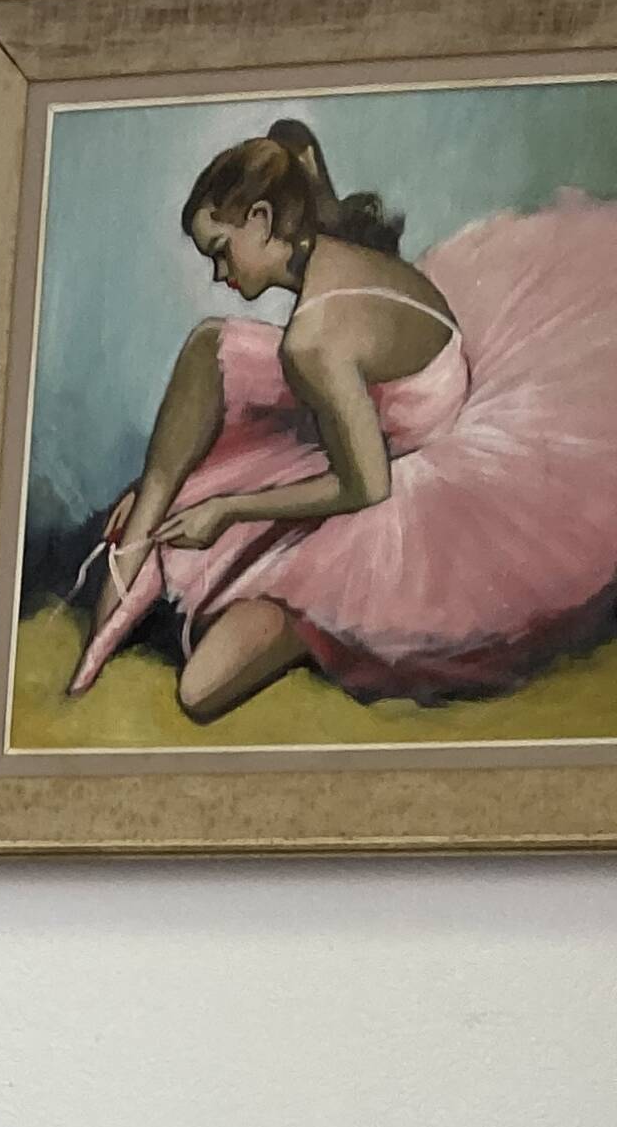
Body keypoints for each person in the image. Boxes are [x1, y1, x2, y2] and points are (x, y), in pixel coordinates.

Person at [70, 116, 617, 718]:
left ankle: (291, 612)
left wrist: (226, 507)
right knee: (210, 345)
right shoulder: (319, 226)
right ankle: (141, 538)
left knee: (199, 693)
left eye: (222, 253)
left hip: (408, 477)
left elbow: (367, 485)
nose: (220, 275)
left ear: (260, 220)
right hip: (381, 410)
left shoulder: (313, 340)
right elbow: (292, 132)